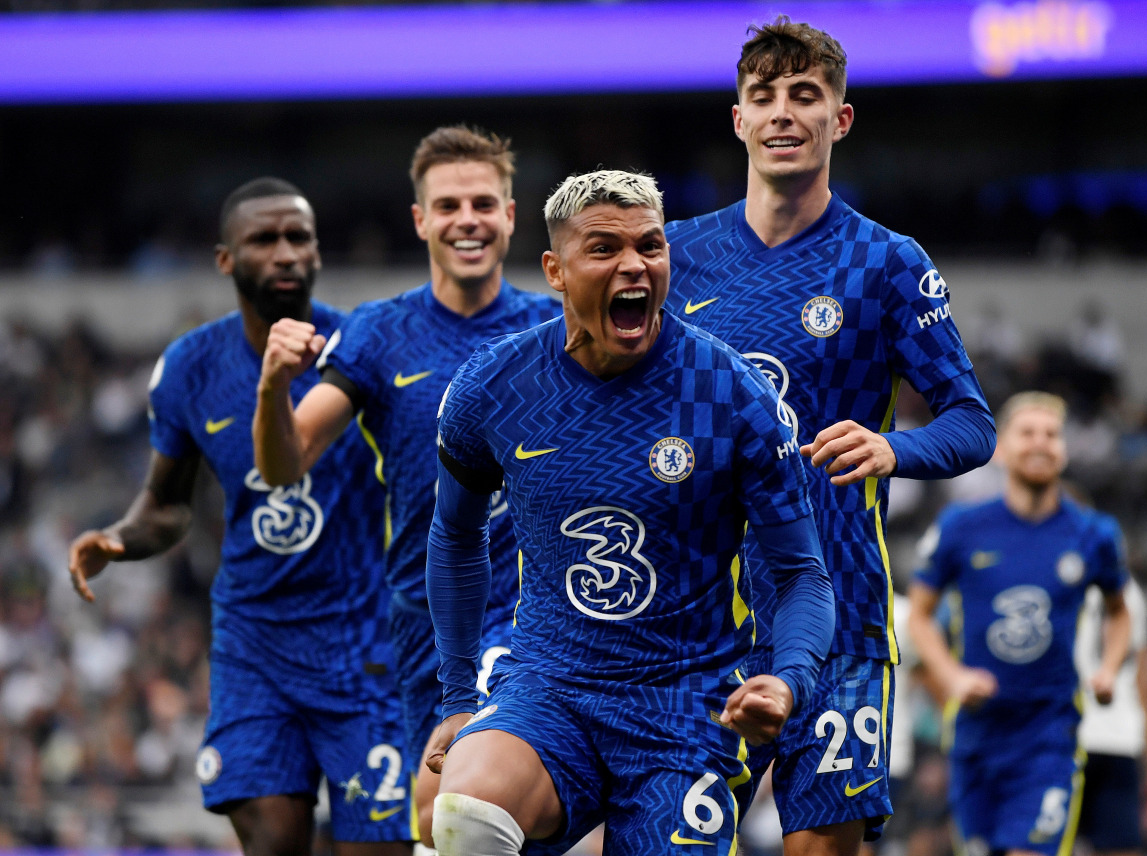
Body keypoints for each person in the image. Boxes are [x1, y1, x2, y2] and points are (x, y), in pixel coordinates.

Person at [422, 169, 835, 856]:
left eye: (650, 245)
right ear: (555, 269)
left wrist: (788, 681)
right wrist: (458, 695)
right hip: (550, 685)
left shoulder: (732, 394)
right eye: (605, 248)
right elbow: (456, 536)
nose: (634, 265)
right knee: (466, 810)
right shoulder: (493, 385)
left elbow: (800, 573)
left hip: (687, 704)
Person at [664, 18, 996, 856]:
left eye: (804, 95)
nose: (783, 112)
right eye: (763, 96)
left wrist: (894, 450)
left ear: (838, 119)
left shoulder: (884, 262)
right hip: (692, 614)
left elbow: (970, 422)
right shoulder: (673, 258)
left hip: (840, 603)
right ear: (737, 118)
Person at [67, 178, 407, 856]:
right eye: (264, 239)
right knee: (272, 837)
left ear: (316, 253)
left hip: (366, 644)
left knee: (377, 848)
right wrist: (119, 539)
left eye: (298, 238)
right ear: (226, 259)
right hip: (256, 644)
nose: (285, 253)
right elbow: (166, 506)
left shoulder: (364, 349)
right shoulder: (190, 366)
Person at [251, 127, 560, 848]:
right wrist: (271, 386)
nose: (467, 219)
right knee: (437, 822)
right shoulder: (379, 334)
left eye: (484, 202)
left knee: (459, 801)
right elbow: (282, 463)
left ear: (511, 215)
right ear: (421, 219)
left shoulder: (554, 327)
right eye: (448, 204)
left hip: (533, 611)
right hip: (424, 618)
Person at [908, 391, 1132, 856]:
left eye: (1051, 435)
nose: (1040, 443)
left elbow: (1120, 612)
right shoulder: (961, 527)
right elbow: (920, 616)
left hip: (1048, 734)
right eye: (1027, 433)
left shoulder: (1094, 534)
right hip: (976, 734)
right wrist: (951, 676)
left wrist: (1108, 668)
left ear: (1064, 450)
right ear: (1002, 448)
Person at [1075, 579, 1147, 855]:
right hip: (1119, 741)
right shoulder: (1129, 589)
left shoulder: (1055, 578)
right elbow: (1143, 688)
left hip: (1068, 737)